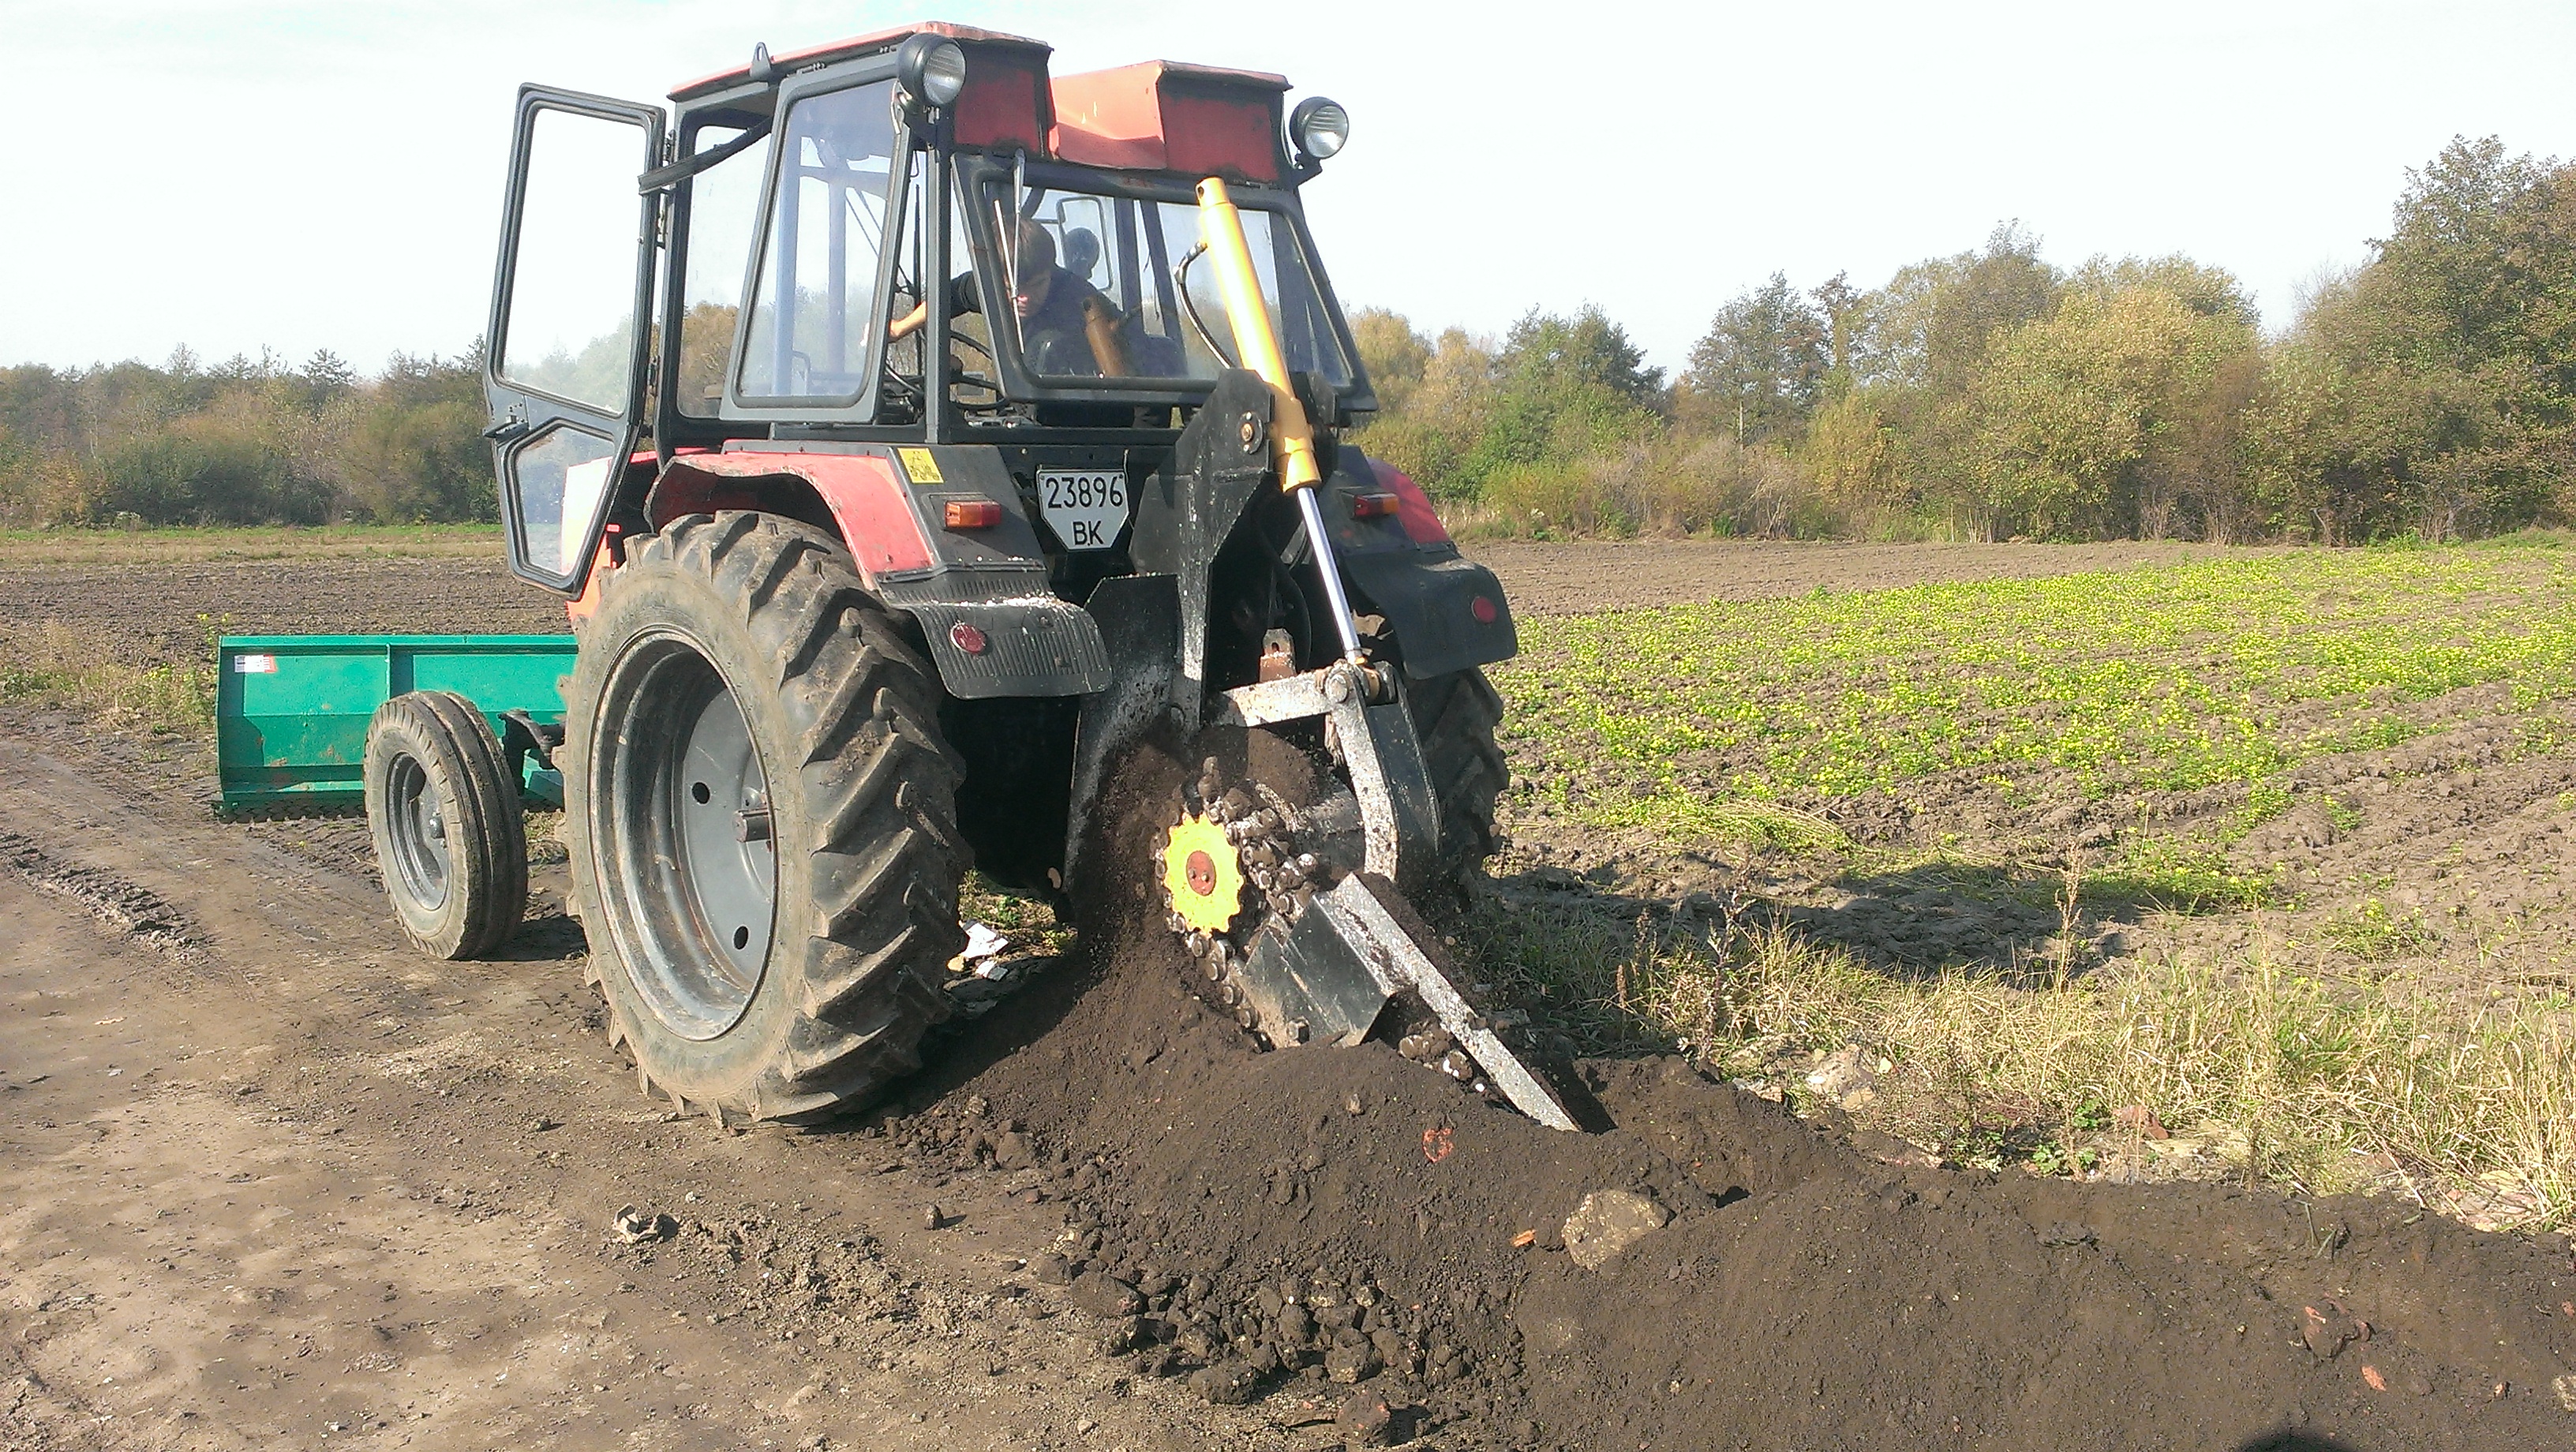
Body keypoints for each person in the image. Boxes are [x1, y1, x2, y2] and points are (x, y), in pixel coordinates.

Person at [889, 221, 1132, 376]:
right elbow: (947, 298)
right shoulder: (988, 286)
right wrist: (900, 328)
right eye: (1012, 288)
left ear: (1051, 270)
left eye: (1037, 285)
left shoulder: (1081, 298)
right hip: (1016, 401)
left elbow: (1132, 351)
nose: (1023, 298)